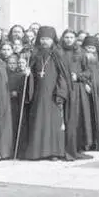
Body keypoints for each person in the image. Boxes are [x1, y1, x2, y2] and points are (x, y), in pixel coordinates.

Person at [25, 26, 68, 160]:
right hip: (38, 94)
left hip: (53, 95)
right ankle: (37, 152)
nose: (45, 42)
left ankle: (54, 152)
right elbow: (31, 72)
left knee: (53, 123)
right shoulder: (35, 54)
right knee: (38, 121)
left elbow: (63, 75)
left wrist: (60, 93)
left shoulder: (58, 54)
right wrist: (28, 74)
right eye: (42, 39)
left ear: (52, 40)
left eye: (48, 39)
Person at [60, 29, 93, 161]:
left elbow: (88, 72)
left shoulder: (81, 53)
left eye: (71, 37)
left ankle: (76, 148)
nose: (68, 39)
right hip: (63, 88)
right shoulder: (59, 52)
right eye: (66, 37)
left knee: (76, 119)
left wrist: (78, 76)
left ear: (75, 39)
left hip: (77, 89)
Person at [79, 36, 99, 151]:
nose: (90, 51)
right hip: (87, 92)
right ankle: (88, 142)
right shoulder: (82, 59)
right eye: (88, 48)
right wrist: (85, 83)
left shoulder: (97, 62)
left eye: (92, 48)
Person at [7, 54, 33, 157]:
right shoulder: (9, 74)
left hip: (21, 104)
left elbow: (27, 89)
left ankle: (21, 151)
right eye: (19, 63)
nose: (20, 65)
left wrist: (28, 76)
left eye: (22, 63)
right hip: (11, 104)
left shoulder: (24, 75)